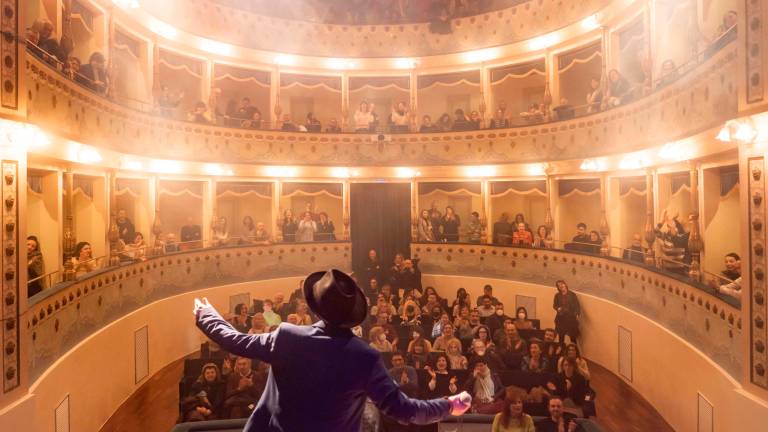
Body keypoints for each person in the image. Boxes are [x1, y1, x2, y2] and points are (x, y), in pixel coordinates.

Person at [193, 269, 471, 431]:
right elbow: (405, 410)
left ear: (315, 307)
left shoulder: (287, 337)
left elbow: (233, 340)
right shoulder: (365, 357)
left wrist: (206, 314)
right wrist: (449, 405)